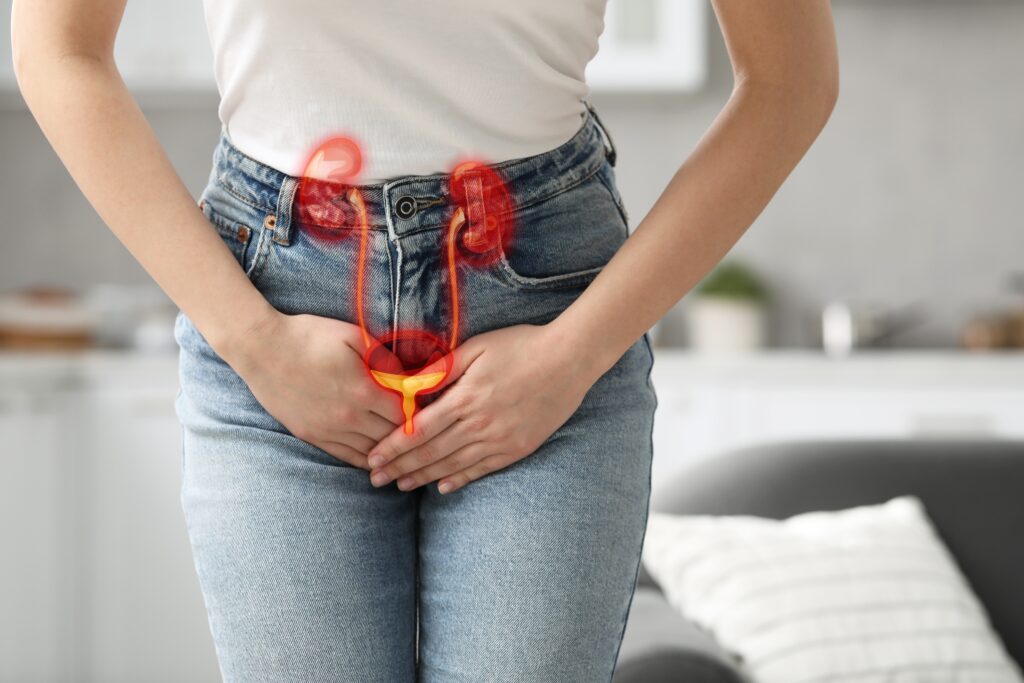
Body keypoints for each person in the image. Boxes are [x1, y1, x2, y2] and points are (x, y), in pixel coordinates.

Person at [12, 1, 839, 680]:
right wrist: (255, 343)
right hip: (276, 311)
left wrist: (572, 356)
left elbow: (790, 79)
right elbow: (58, 50)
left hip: (547, 323)